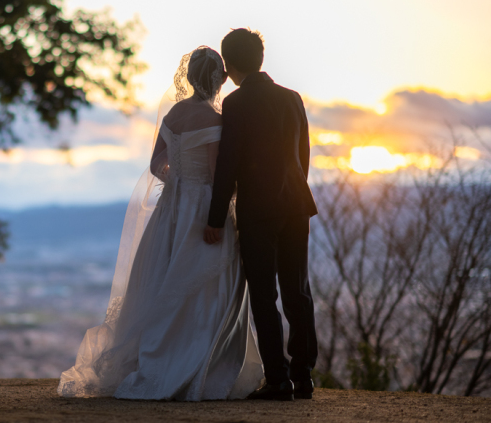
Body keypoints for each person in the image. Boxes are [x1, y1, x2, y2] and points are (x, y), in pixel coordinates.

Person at [57, 46, 264, 400]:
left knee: (163, 277)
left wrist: (179, 183)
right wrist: (222, 198)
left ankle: (157, 357)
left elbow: (156, 166)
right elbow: (217, 175)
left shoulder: (173, 116)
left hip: (172, 209)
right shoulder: (215, 119)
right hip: (203, 208)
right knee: (206, 284)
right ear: (217, 80)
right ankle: (199, 363)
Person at [204, 28, 319, 401]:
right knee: (297, 290)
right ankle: (303, 377)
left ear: (229, 64)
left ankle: (278, 380)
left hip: (259, 210)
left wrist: (215, 217)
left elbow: (229, 165)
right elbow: (303, 155)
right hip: (296, 203)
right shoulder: (292, 98)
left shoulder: (236, 105)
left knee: (265, 295)